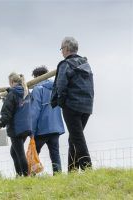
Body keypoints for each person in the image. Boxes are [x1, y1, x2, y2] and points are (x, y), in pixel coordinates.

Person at [51, 37, 94, 172]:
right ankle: (72, 170)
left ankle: (88, 168)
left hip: (72, 106)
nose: (61, 52)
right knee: (73, 138)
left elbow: (61, 85)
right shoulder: (85, 64)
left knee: (77, 138)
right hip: (87, 106)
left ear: (67, 48)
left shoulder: (65, 64)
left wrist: (61, 102)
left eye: (61, 49)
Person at [0, 72, 32, 177]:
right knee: (14, 152)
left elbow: (7, 113)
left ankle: (25, 176)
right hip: (26, 127)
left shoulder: (12, 94)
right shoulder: (27, 92)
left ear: (11, 82)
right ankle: (20, 175)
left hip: (16, 128)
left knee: (19, 153)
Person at [30, 66, 65, 175]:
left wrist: (31, 130)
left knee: (34, 153)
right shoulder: (55, 87)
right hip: (55, 126)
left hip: (42, 128)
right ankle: (58, 175)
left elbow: (35, 111)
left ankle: (31, 175)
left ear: (36, 77)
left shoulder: (37, 89)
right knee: (55, 153)